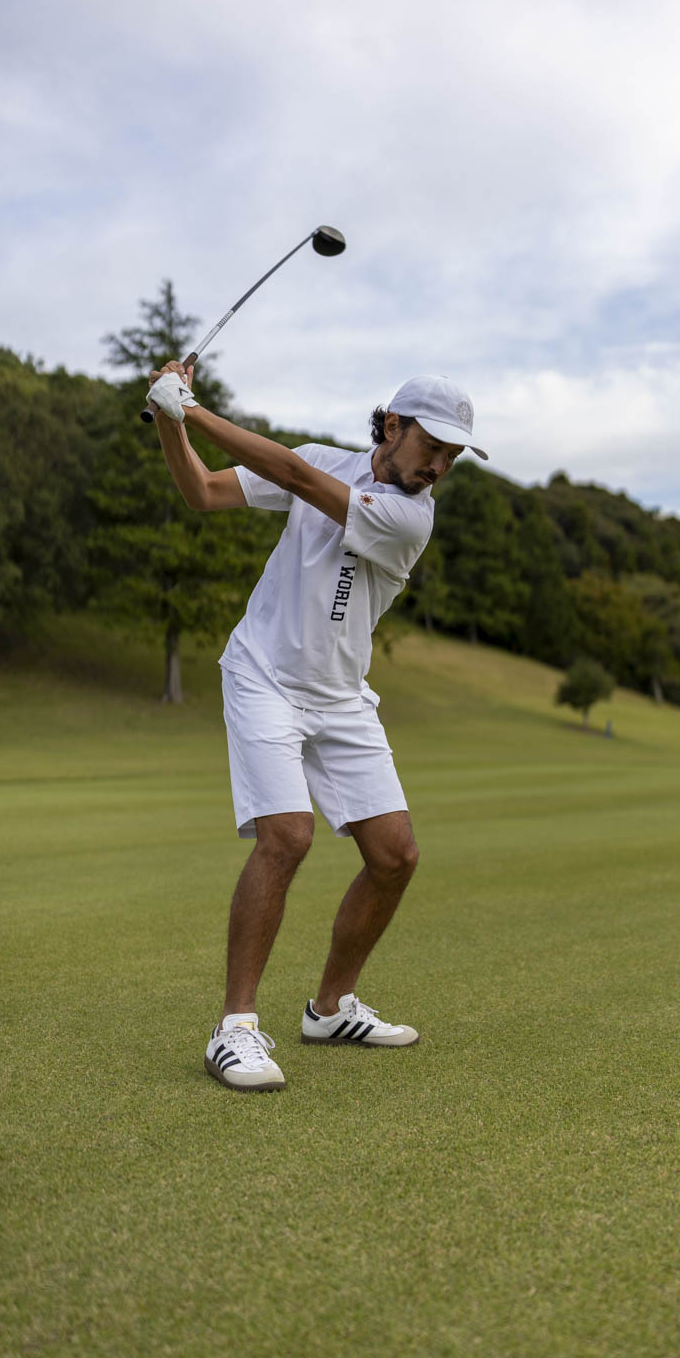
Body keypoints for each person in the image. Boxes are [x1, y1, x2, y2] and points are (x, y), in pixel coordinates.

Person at [146, 363, 488, 1092]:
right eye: (432, 445)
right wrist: (174, 426)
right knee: (287, 836)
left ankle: (329, 1009)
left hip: (339, 696)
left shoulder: (410, 518)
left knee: (395, 856)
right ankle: (234, 1029)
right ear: (392, 426)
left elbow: (299, 481)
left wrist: (193, 409)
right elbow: (203, 491)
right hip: (264, 675)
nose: (439, 466)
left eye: (453, 456)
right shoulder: (327, 461)